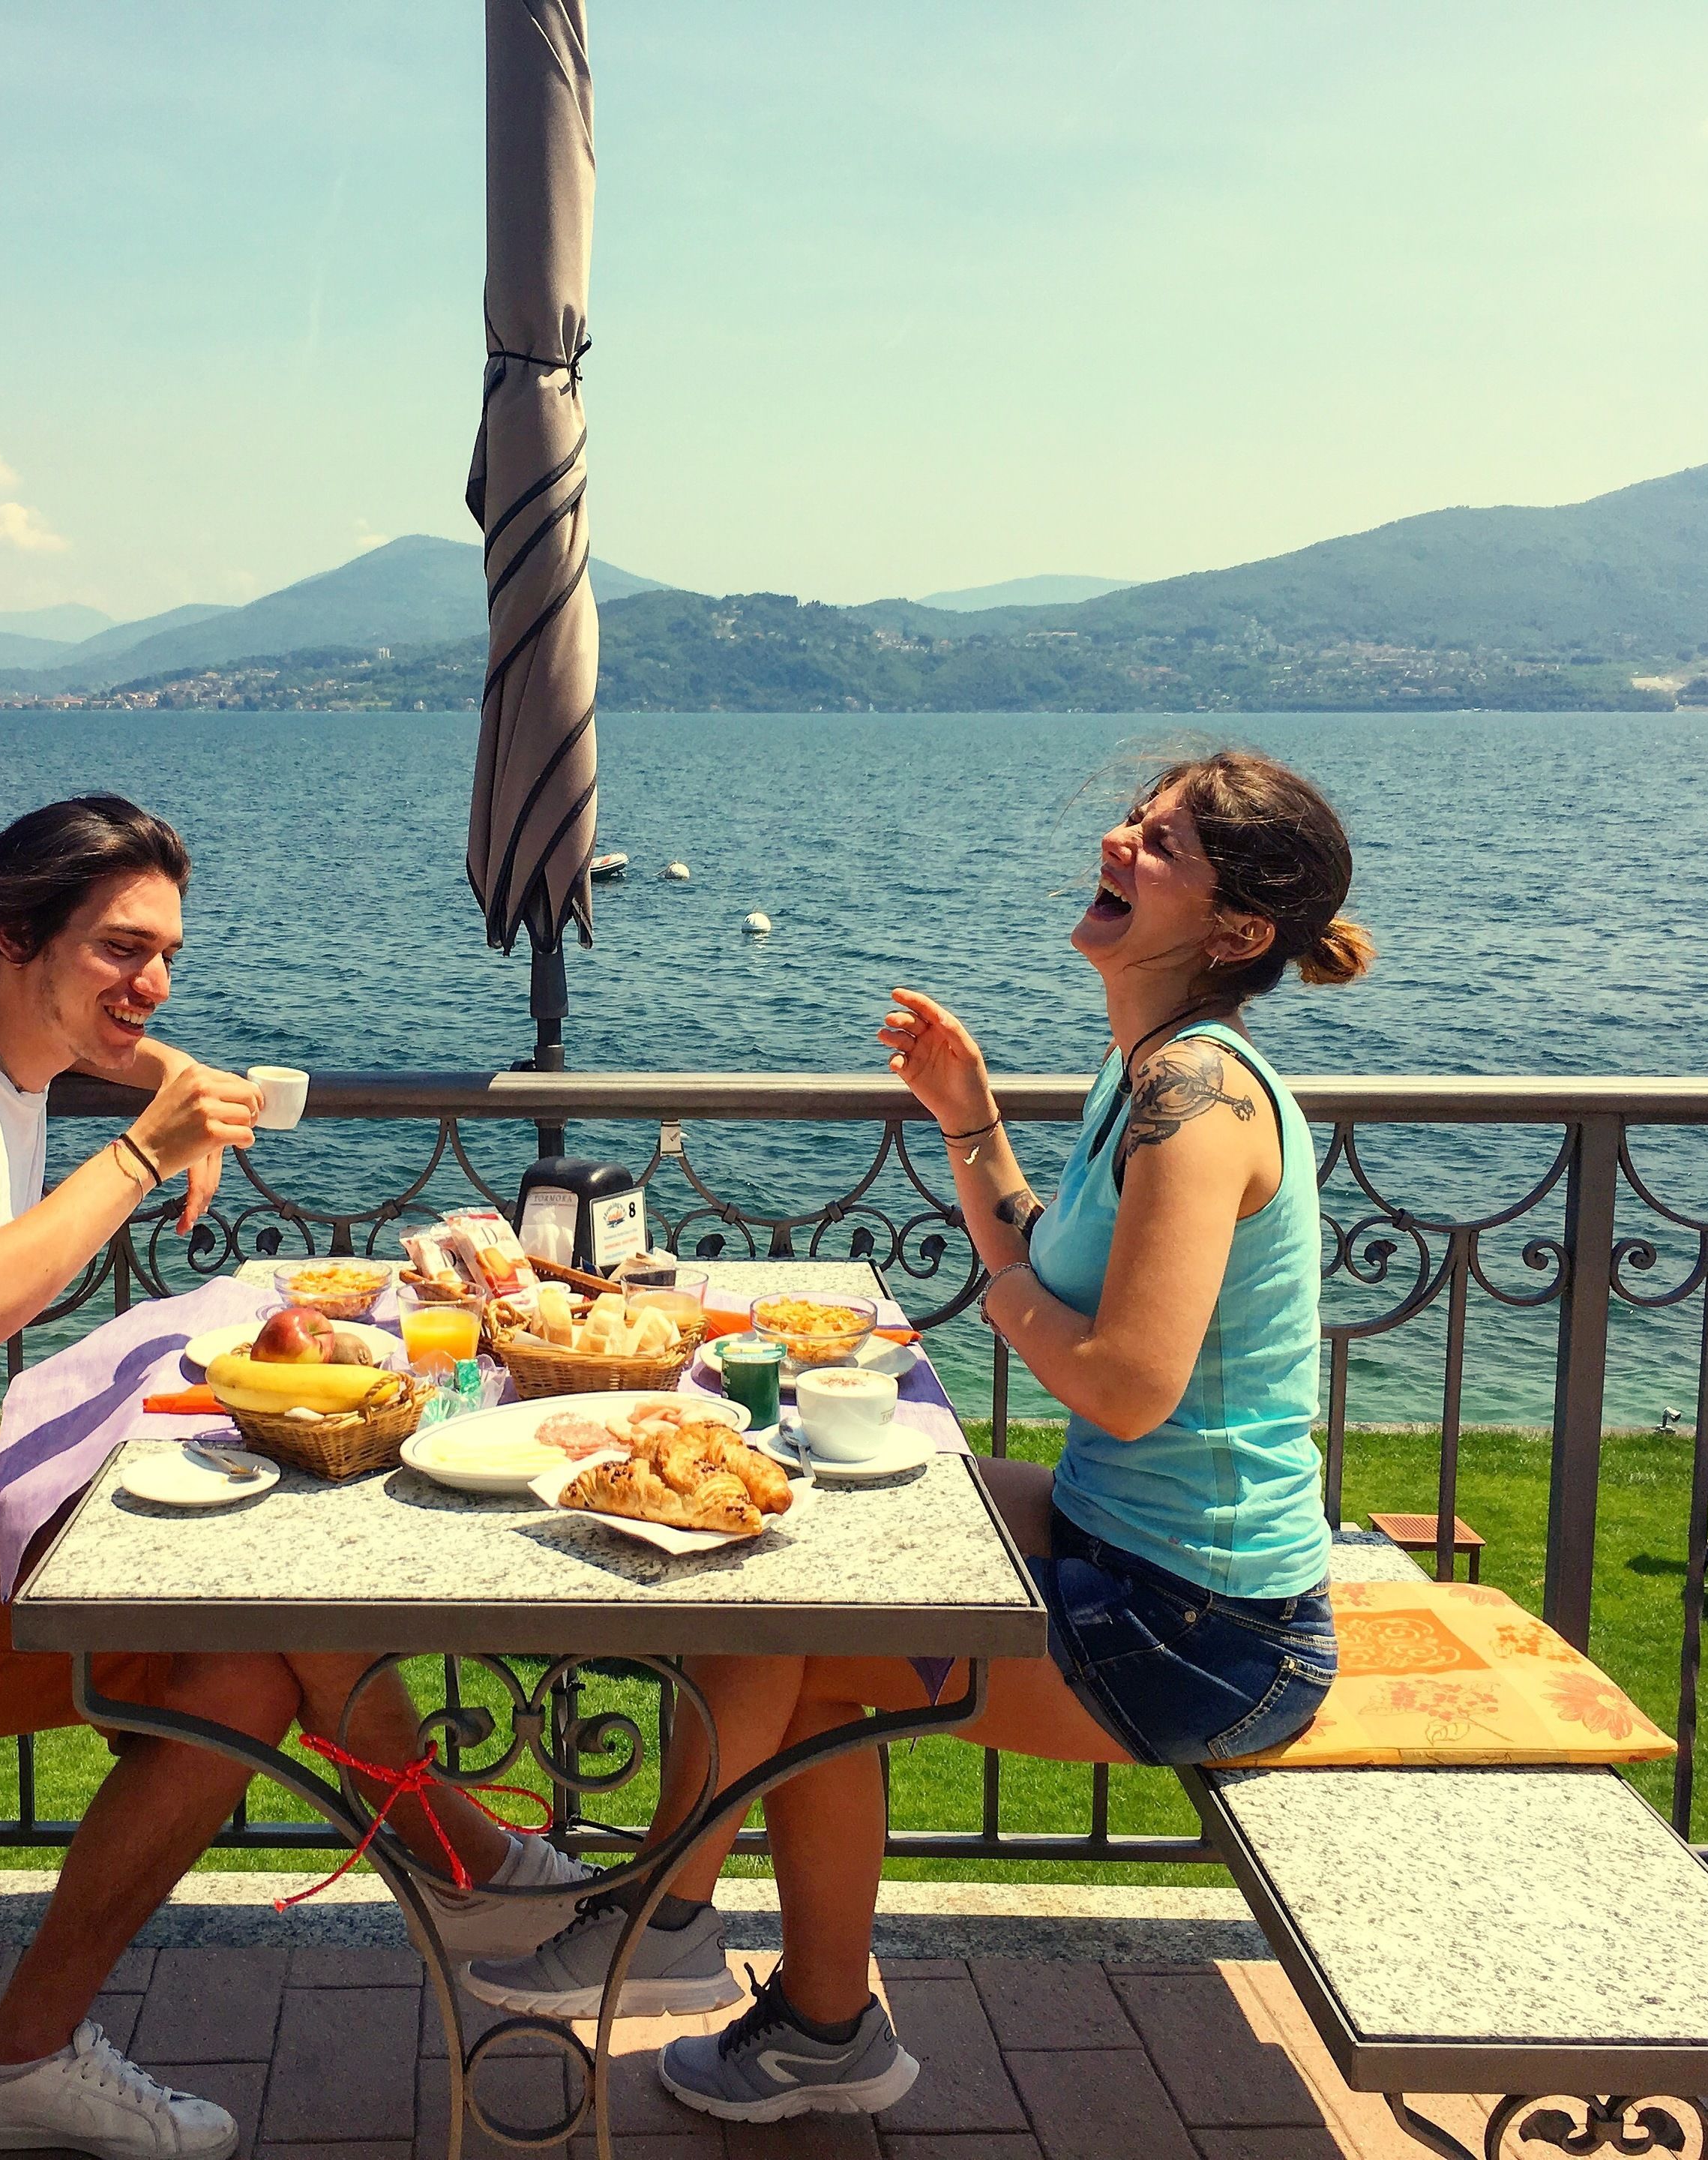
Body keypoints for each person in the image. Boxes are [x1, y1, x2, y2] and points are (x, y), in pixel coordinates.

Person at [466, 749, 1372, 2124]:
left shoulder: (1202, 1102)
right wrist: (973, 1121)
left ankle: (666, 1922)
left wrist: (1000, 1302)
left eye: (1165, 843)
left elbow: (1125, 1382)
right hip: (1127, 1543)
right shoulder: (1153, 1076)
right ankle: (811, 2026)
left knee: (780, 1618)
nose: (1122, 840)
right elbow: (1047, 1266)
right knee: (787, 1517)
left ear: (1237, 932)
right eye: (1139, 818)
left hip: (1203, 1632)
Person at [0, 795, 582, 2158]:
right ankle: (434, 1874)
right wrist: (146, 1148)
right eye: (119, 949)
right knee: (244, 1656)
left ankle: (455, 1865)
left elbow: (116, 1041)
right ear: (11, 934)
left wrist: (175, 1081)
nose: (150, 982)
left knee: (252, 1598)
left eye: (167, 952)